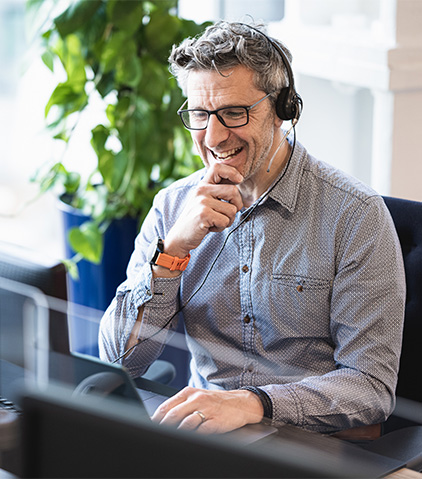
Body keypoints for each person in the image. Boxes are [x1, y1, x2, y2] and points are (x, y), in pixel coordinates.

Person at [99, 20, 406, 436]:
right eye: (200, 114)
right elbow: (119, 362)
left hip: (315, 447)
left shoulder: (355, 216)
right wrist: (172, 253)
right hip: (206, 439)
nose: (213, 136)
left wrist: (253, 404)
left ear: (283, 110)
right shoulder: (174, 207)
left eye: (233, 113)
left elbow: (371, 388)